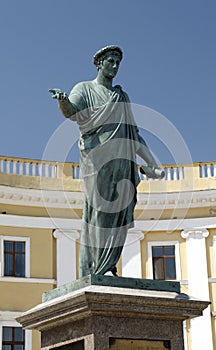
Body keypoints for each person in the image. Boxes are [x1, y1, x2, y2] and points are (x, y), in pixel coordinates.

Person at [49, 45, 162, 277]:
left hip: (121, 161)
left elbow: (134, 135)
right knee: (100, 211)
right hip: (96, 160)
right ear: (99, 63)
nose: (115, 66)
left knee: (117, 215)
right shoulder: (84, 88)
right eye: (110, 61)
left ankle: (108, 266)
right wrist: (62, 101)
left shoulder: (122, 97)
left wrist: (152, 163)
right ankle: (97, 268)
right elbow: (73, 113)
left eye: (118, 63)